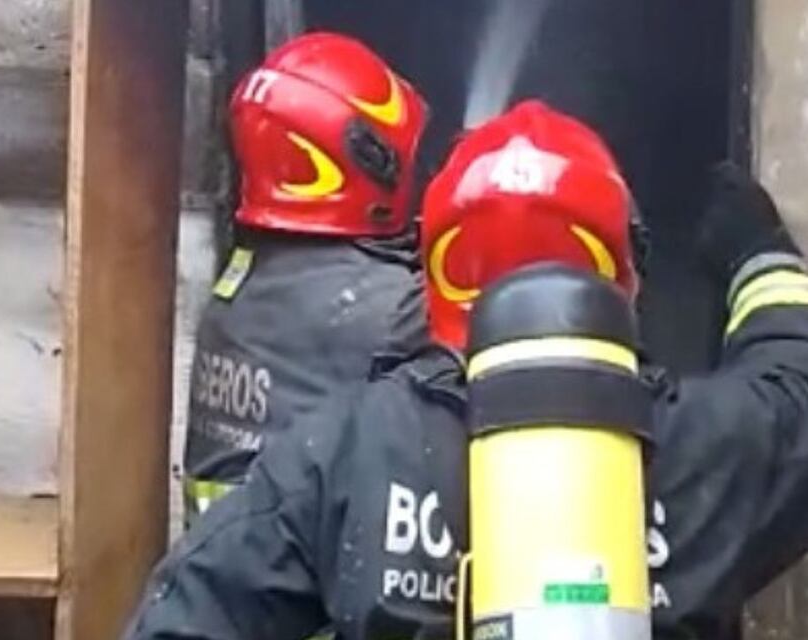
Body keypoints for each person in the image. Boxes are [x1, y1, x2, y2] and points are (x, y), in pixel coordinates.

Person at [129, 101, 808, 640]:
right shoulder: (703, 452)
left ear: (436, 276)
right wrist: (760, 254)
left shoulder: (350, 452)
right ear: (620, 266)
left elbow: (189, 616)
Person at [182, 32, 429, 524]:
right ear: (368, 161)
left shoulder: (251, 283)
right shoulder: (378, 310)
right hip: (298, 593)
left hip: (225, 582)